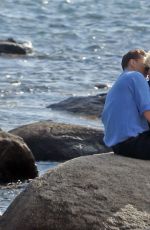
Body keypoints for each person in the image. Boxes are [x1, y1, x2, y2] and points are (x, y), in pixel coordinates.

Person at [102, 49, 150, 159]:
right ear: (132, 62)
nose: (147, 70)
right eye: (145, 64)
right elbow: (148, 112)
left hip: (118, 145)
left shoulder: (119, 83)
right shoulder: (135, 76)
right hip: (134, 143)